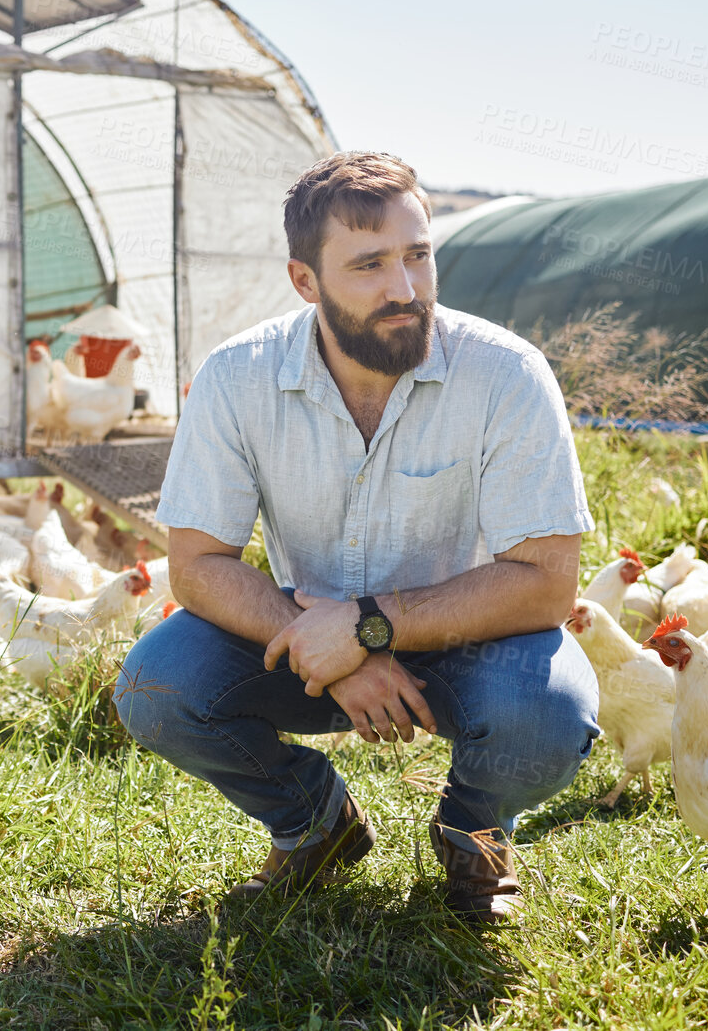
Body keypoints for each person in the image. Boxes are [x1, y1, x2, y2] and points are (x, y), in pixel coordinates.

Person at [113, 151, 600, 923]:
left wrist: (367, 626)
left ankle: (473, 836)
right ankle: (314, 823)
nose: (403, 289)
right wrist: (326, 649)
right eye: (368, 265)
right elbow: (197, 565)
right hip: (301, 638)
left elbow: (546, 582)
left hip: (472, 641)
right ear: (305, 281)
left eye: (416, 256)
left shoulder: (506, 374)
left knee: (547, 716)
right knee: (156, 686)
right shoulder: (237, 377)